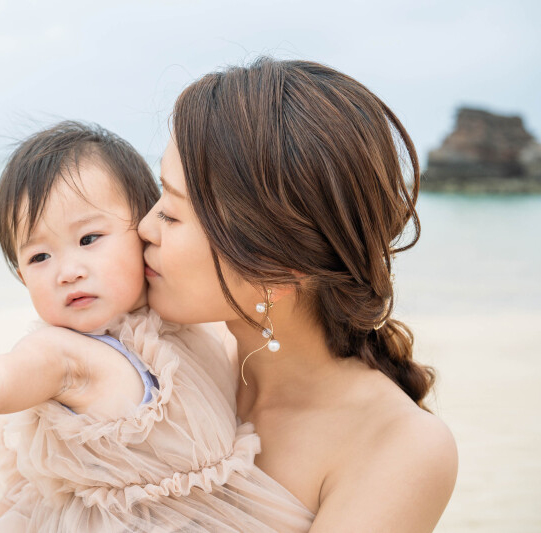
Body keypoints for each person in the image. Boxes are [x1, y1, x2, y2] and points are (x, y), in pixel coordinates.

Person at [0, 121, 315, 532]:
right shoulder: (63, 355)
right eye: (39, 255)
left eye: (89, 238)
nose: (67, 269)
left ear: (144, 228)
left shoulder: (182, 320)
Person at [138, 57, 458, 532]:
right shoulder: (168, 358)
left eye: (172, 213)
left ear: (279, 268)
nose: (145, 225)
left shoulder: (399, 447)